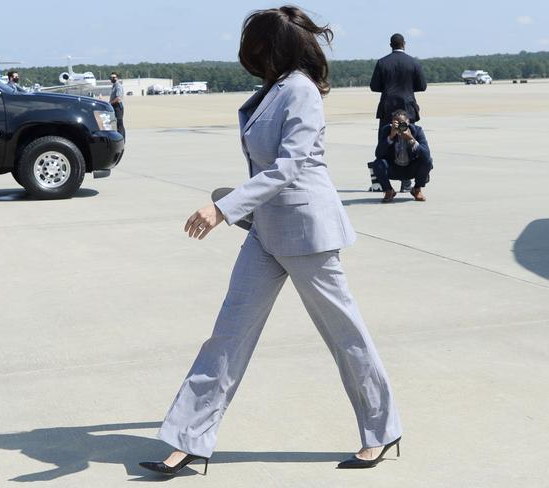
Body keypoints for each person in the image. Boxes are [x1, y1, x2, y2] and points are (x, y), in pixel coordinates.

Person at [138, 6, 402, 476]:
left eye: (253, 48)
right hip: (265, 232)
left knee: (346, 336)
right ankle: (188, 440)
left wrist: (223, 207)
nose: (247, 57)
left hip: (307, 232)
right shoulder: (272, 90)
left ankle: (382, 431)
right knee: (228, 335)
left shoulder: (299, 90)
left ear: (269, 48)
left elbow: (290, 166)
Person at [369, 33, 427, 193]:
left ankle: (382, 181)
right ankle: (406, 182)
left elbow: (374, 86)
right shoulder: (413, 62)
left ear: (390, 45)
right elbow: (422, 85)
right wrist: (407, 89)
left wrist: (389, 87)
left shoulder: (382, 62)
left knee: (386, 141)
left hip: (388, 109)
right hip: (407, 109)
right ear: (404, 44)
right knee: (408, 141)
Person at [372, 109, 432, 202]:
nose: (400, 126)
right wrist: (390, 137)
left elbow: (426, 155)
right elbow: (378, 154)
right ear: (392, 123)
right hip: (394, 168)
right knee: (377, 163)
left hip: (410, 168)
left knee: (427, 161)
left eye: (402, 123)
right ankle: (389, 191)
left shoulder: (417, 130)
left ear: (408, 122)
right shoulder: (387, 130)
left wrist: (411, 139)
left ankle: (417, 189)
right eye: (397, 123)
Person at [109, 72, 125, 141]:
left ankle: (121, 139)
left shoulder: (118, 86)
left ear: (117, 78)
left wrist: (110, 103)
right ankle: (122, 138)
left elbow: (118, 98)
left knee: (119, 124)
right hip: (115, 106)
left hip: (118, 107)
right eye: (111, 77)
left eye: (114, 77)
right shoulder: (114, 86)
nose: (112, 79)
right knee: (118, 124)